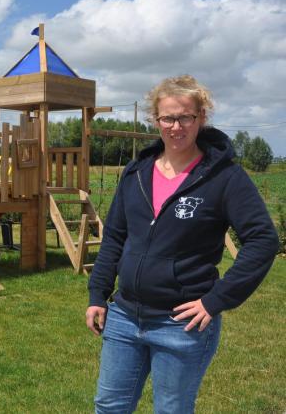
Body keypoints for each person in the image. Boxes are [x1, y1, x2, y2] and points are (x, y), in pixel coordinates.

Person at [86, 75, 279, 414]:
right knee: (109, 406)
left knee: (171, 409)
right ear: (156, 120)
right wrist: (98, 294)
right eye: (168, 118)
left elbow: (263, 239)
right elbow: (115, 236)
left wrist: (215, 300)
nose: (176, 127)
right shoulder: (136, 172)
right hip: (124, 317)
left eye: (185, 117)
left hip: (181, 325)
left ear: (201, 117)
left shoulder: (224, 176)